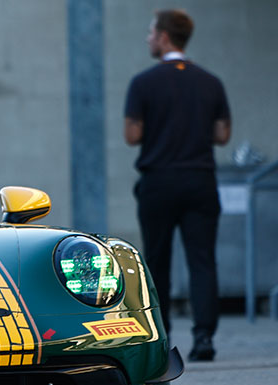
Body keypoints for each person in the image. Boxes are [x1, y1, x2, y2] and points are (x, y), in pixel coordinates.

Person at [124, 9, 231, 361]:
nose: (147, 38)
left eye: (151, 32)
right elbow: (222, 134)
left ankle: (161, 338)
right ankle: (204, 339)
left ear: (165, 37)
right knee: (202, 261)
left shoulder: (143, 83)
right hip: (200, 180)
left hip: (159, 182)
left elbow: (132, 135)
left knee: (157, 261)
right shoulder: (211, 82)